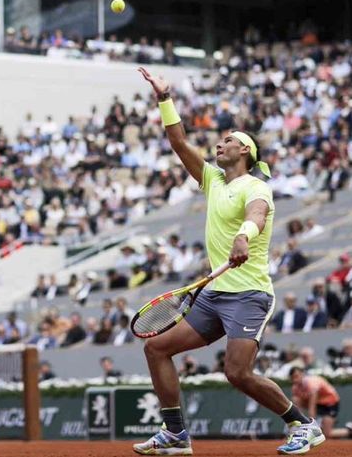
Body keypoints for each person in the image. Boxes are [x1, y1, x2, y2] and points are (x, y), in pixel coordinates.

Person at [135, 67, 323, 456]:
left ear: (246, 152)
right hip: (214, 293)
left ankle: (303, 426)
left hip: (249, 294)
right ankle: (175, 434)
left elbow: (256, 216)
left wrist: (243, 237)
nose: (220, 145)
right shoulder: (212, 180)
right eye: (220, 141)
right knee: (156, 349)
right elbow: (178, 140)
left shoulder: (257, 186)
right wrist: (164, 98)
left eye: (229, 141)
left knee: (237, 373)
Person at [290, 367, 349, 439]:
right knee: (296, 399)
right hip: (319, 404)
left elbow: (312, 408)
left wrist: (311, 428)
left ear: (302, 374)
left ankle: (349, 431)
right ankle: (316, 425)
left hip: (330, 403)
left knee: (327, 433)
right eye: (293, 377)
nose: (295, 379)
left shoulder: (311, 383)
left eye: (297, 376)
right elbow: (296, 407)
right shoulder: (295, 388)